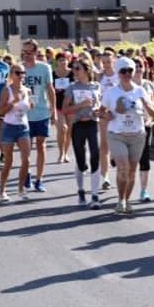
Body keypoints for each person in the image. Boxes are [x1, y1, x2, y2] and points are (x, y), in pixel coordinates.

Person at [101, 57, 154, 214]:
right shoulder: (111, 92)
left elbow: (153, 113)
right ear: (118, 73)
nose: (126, 74)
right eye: (123, 71)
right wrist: (108, 115)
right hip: (117, 135)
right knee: (123, 167)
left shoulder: (140, 90)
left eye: (129, 70)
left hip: (137, 135)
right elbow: (101, 111)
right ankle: (120, 200)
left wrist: (145, 103)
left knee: (131, 170)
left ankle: (127, 199)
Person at [62, 57, 102, 209]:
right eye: (73, 68)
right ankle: (80, 189)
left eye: (77, 68)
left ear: (86, 70)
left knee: (95, 156)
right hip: (78, 125)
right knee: (80, 160)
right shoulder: (72, 87)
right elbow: (65, 109)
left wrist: (98, 111)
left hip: (93, 123)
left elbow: (100, 105)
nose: (74, 71)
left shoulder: (96, 86)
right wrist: (80, 105)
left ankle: (95, 195)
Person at [21, 38, 57, 192]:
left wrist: (53, 110)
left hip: (41, 111)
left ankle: (39, 179)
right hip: (24, 115)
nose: (27, 55)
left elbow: (50, 90)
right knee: (26, 148)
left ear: (36, 52)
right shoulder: (19, 69)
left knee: (41, 145)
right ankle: (27, 172)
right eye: (25, 52)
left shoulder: (44, 68)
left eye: (30, 52)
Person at [0, 63, 33, 201]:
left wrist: (31, 105)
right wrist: (13, 103)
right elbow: (1, 111)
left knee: (26, 160)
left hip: (23, 127)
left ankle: (21, 189)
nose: (21, 76)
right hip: (9, 127)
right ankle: (2, 190)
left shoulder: (27, 90)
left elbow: (28, 107)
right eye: (18, 73)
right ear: (11, 75)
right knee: (9, 162)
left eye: (23, 73)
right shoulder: (7, 91)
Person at [132, 57, 154, 203]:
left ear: (145, 68)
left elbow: (153, 104)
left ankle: (143, 190)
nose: (138, 69)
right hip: (129, 127)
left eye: (140, 66)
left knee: (145, 157)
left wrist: (150, 118)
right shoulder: (126, 86)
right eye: (135, 66)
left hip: (146, 125)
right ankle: (126, 188)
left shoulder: (149, 85)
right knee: (130, 160)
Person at [98, 50, 119, 189]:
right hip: (104, 113)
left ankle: (120, 172)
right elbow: (96, 94)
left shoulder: (120, 76)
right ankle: (105, 177)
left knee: (117, 144)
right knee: (104, 144)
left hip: (118, 114)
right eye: (104, 62)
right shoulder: (99, 76)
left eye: (109, 62)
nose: (106, 64)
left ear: (114, 61)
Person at [52, 51, 74, 163]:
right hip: (58, 105)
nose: (63, 62)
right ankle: (61, 153)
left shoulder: (72, 73)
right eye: (60, 60)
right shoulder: (52, 74)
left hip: (71, 105)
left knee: (69, 130)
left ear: (68, 60)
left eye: (64, 60)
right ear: (56, 62)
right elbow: (49, 89)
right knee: (62, 128)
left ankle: (66, 153)